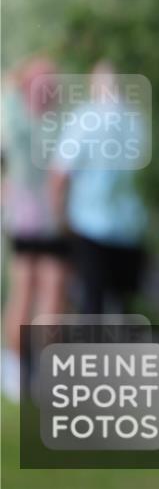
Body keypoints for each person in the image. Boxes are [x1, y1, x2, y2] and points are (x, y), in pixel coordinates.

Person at [51, 60, 149, 315]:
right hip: (132, 228)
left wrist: (58, 214)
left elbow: (61, 170)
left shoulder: (85, 118)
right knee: (126, 307)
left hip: (91, 225)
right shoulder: (138, 122)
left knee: (92, 304)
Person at [1, 56, 72, 402]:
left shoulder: (61, 122)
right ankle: (15, 368)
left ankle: (46, 372)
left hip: (56, 221)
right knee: (24, 290)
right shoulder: (12, 117)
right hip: (26, 220)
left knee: (53, 291)